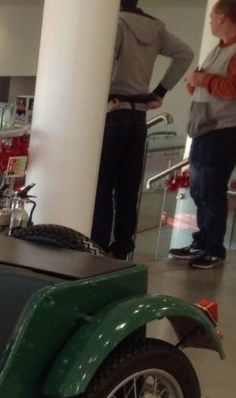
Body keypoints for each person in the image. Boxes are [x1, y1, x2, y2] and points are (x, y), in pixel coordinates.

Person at [92, 1, 193, 260]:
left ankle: (98, 245)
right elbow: (185, 53)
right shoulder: (156, 28)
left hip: (114, 111)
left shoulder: (114, 25)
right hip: (138, 116)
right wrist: (159, 91)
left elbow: (102, 60)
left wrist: (102, 95)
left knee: (101, 185)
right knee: (128, 187)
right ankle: (123, 247)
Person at [169, 0, 236, 269]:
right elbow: (208, 85)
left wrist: (203, 80)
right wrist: (195, 84)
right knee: (199, 189)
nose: (209, 21)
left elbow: (232, 89)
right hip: (205, 128)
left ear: (222, 17)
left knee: (210, 190)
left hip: (223, 130)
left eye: (212, 17)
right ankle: (203, 241)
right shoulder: (217, 50)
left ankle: (213, 249)